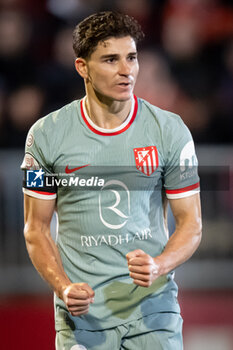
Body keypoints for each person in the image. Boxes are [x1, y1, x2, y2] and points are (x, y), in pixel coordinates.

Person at [21, 11, 202, 350]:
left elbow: (192, 223)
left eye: (131, 57)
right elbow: (36, 229)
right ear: (82, 68)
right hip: (83, 319)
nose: (126, 70)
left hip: (153, 314)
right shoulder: (47, 135)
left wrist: (159, 264)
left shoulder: (169, 130)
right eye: (110, 59)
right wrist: (62, 287)